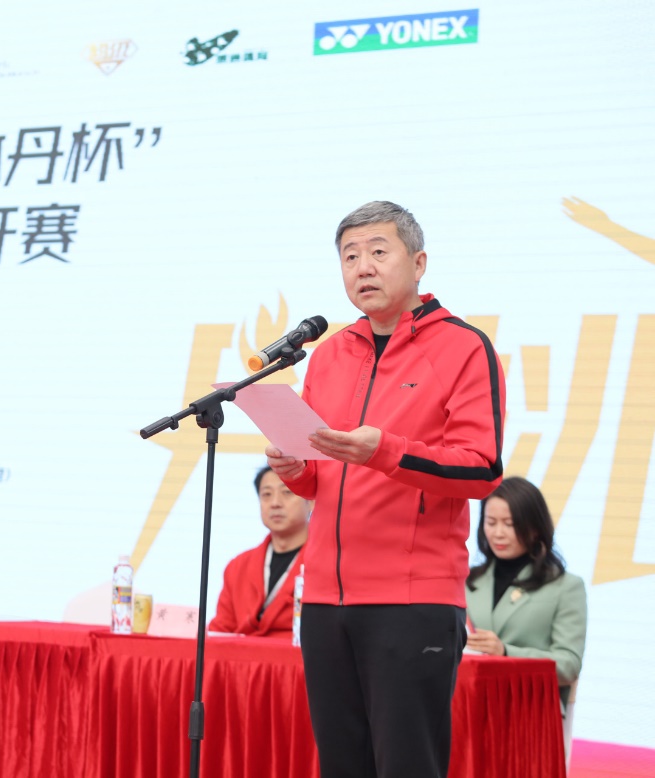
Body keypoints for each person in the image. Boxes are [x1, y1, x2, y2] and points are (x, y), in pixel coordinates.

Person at [266, 201, 505, 778]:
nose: (363, 267)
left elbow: (481, 469)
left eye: (378, 251)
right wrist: (295, 469)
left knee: (406, 765)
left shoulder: (463, 347)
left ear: (418, 263)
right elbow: (323, 480)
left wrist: (386, 450)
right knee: (341, 766)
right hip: (324, 602)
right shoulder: (329, 355)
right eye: (350, 257)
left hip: (412, 602)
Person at [465, 477, 586, 710]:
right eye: (491, 522)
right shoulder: (467, 580)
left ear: (535, 527)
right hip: (469, 705)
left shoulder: (566, 586)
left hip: (530, 710)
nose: (498, 533)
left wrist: (506, 653)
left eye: (509, 524)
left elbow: (569, 665)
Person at [209, 465, 309, 636]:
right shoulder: (238, 566)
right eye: (266, 495)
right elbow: (221, 631)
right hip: (243, 653)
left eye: (287, 492)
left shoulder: (330, 562)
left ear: (311, 501)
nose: (275, 503)